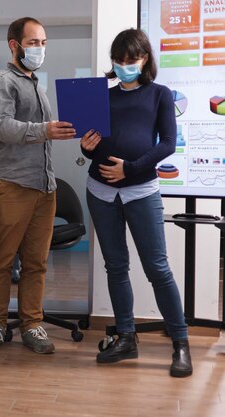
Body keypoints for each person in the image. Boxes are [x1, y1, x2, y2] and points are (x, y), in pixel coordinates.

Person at [80, 29, 192, 377]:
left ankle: (181, 342)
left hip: (141, 191)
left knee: (157, 268)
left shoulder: (159, 95)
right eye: (119, 60)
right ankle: (126, 337)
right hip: (100, 192)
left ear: (144, 59)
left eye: (132, 60)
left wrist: (129, 169)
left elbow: (167, 144)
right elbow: (89, 145)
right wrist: (85, 147)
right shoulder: (101, 96)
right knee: (116, 266)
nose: (125, 66)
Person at [0, 17, 76, 354]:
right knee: (2, 261)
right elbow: (3, 127)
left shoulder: (39, 87)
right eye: (34, 42)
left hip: (43, 187)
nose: (40, 49)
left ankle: (32, 324)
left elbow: (41, 133)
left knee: (36, 262)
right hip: (8, 185)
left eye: (44, 42)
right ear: (14, 45)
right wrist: (46, 130)